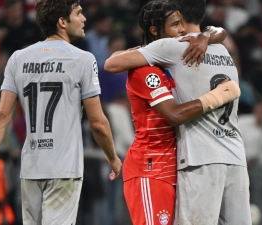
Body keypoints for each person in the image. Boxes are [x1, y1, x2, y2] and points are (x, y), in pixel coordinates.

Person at [104, 0, 251, 224]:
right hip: (234, 156)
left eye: (176, 21)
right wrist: (208, 35)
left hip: (200, 158)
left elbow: (111, 63)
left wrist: (204, 35)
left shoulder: (174, 47)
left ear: (181, 16)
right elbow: (219, 32)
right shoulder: (224, 50)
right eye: (172, 24)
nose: (179, 30)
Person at [0, 0, 122, 224]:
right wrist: (113, 156)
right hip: (63, 168)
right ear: (62, 22)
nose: (84, 19)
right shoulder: (83, 59)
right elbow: (98, 122)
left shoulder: (18, 58)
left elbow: (1, 116)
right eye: (79, 13)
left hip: (31, 166)